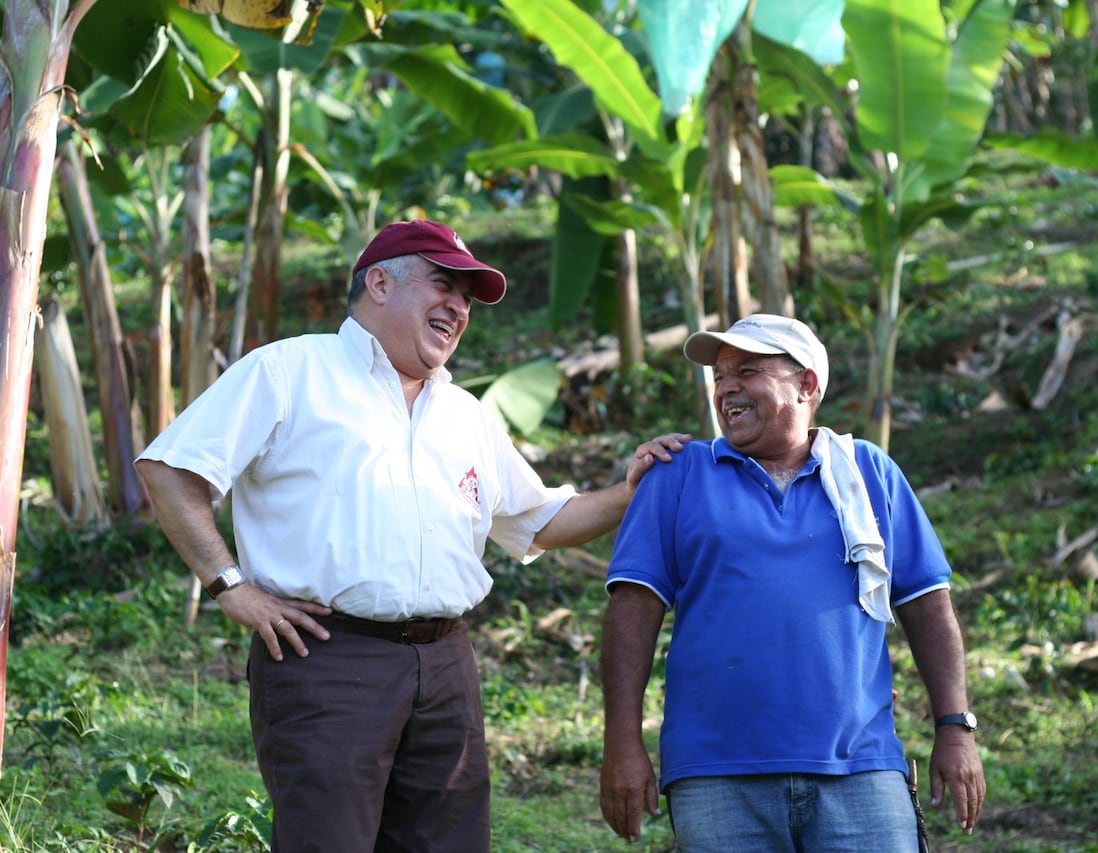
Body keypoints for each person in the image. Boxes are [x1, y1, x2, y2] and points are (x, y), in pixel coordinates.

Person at [135, 218, 689, 853]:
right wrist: (230, 586)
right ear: (378, 282)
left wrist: (633, 490)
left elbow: (541, 521)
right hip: (328, 660)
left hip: (446, 665)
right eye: (444, 285)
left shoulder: (465, 414)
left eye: (467, 298)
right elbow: (170, 468)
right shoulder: (290, 371)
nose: (458, 307)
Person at [598, 313, 985, 851]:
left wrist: (955, 727)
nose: (727, 387)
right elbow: (631, 612)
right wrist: (621, 742)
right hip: (716, 772)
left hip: (860, 766)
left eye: (748, 371)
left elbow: (926, 604)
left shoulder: (868, 472)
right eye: (720, 377)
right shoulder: (679, 472)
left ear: (807, 384)